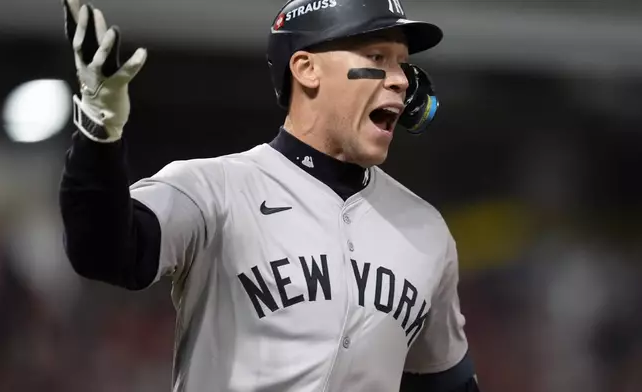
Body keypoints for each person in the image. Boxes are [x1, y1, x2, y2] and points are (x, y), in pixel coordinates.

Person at [59, 0, 480, 390]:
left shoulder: (426, 230)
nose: (401, 81)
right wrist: (99, 133)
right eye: (377, 58)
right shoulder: (214, 190)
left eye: (404, 64)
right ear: (306, 68)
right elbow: (102, 251)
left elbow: (449, 384)